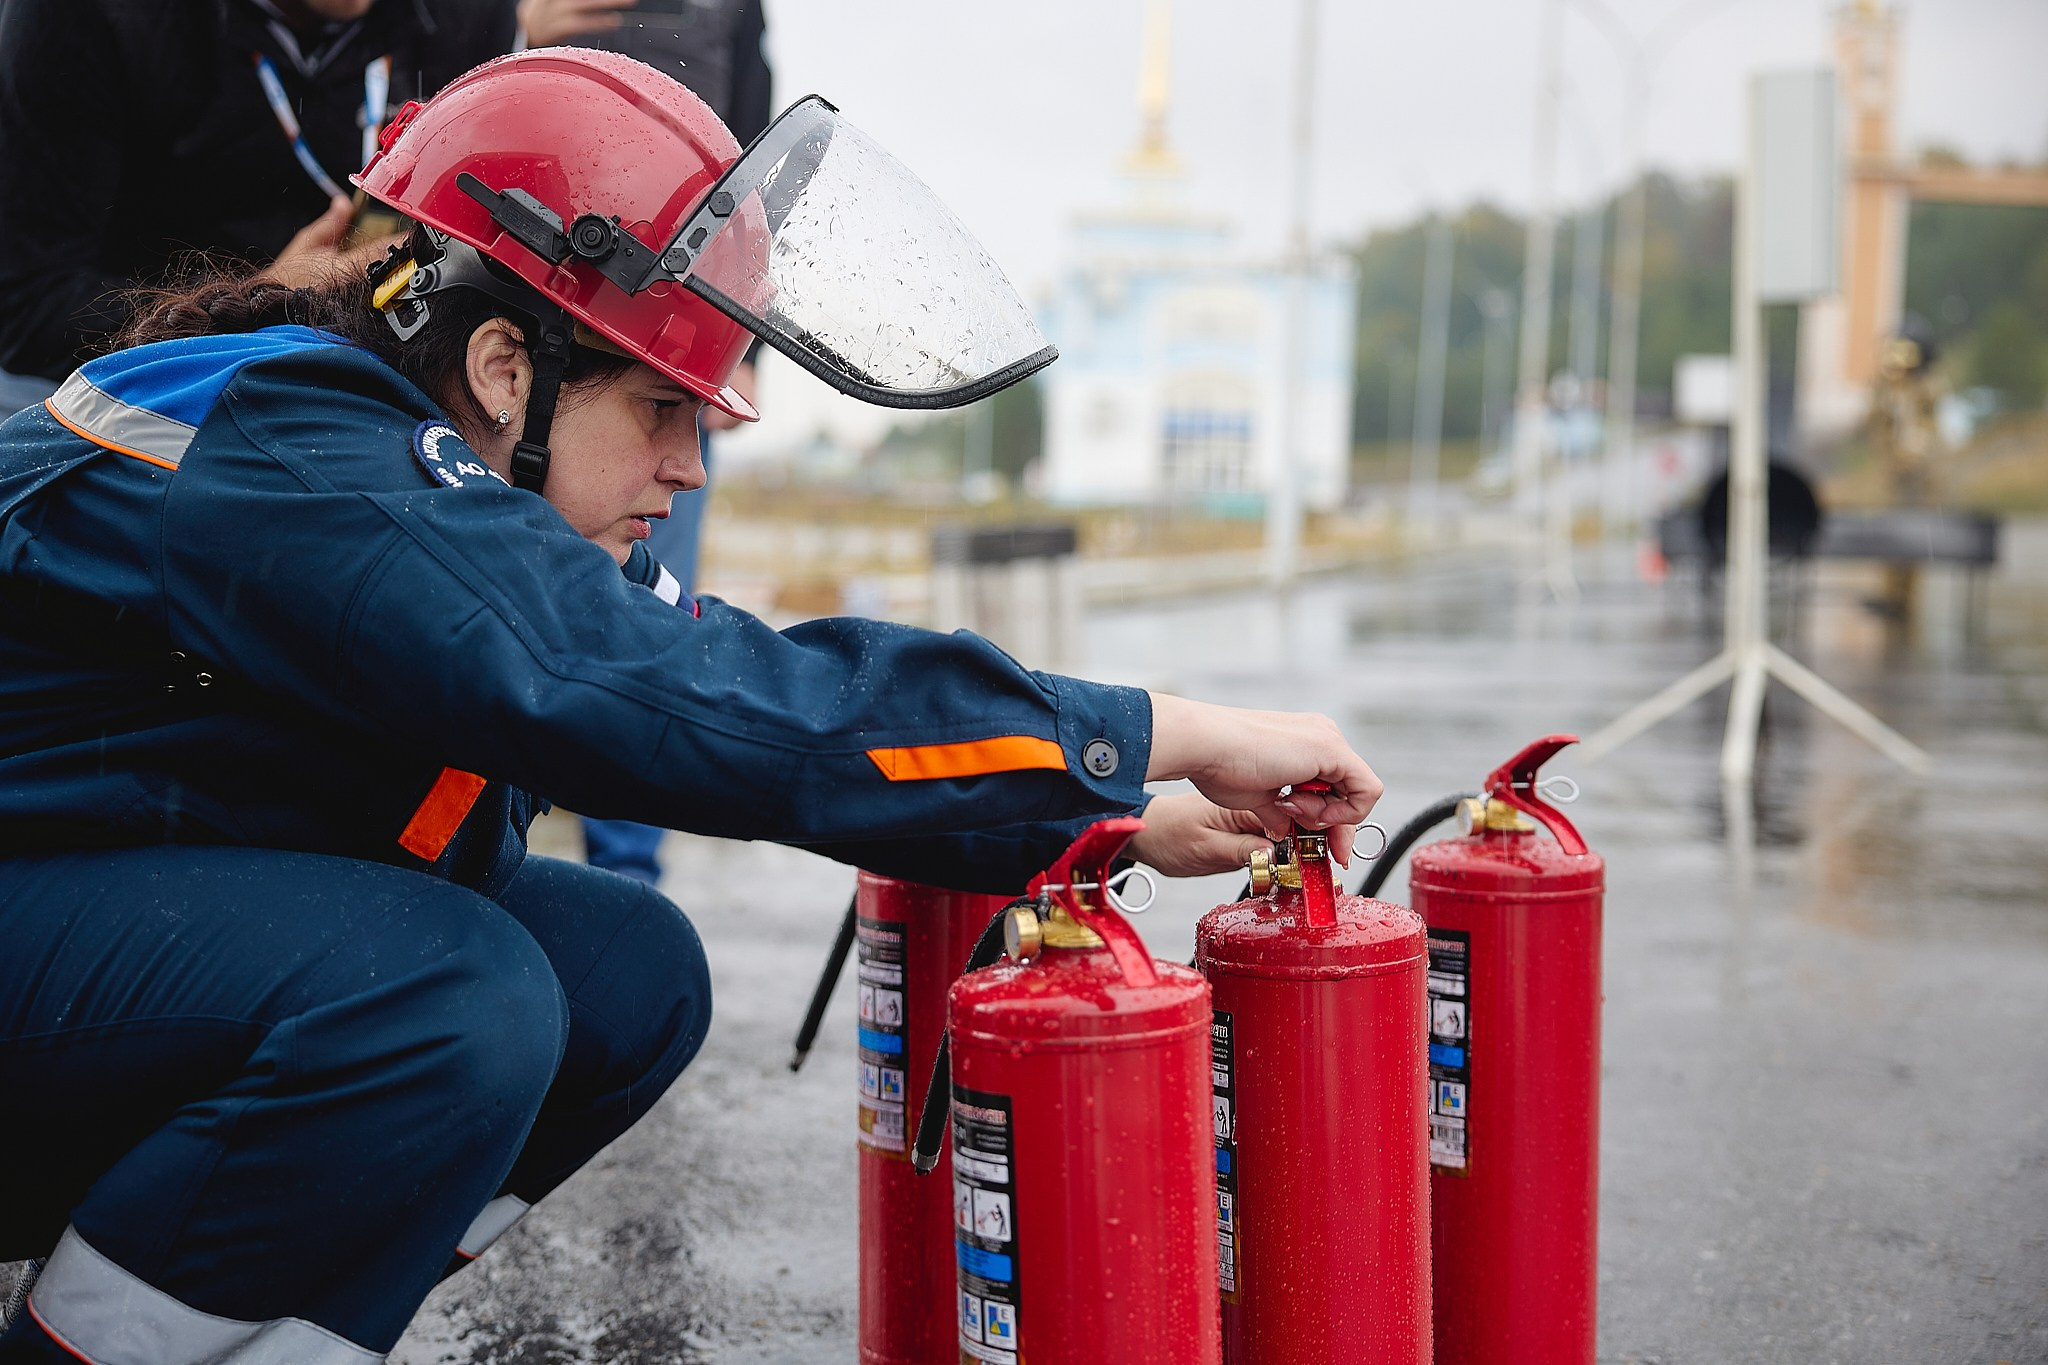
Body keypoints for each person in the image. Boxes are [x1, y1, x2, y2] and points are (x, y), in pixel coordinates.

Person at [0, 51, 1382, 1362]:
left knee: (624, 976)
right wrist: (1161, 723)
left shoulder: (434, 483)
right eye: (664, 410)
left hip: (71, 930)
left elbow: (751, 678)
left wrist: (1118, 815)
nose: (688, 470)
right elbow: (645, 690)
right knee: (439, 1000)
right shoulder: (296, 448)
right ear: (502, 370)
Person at [516, 0, 775, 883]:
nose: (690, 468)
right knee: (505, 592)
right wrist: (508, 30)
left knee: (648, 614)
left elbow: (759, 163)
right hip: (539, 313)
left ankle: (624, 873)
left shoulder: (732, 9)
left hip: (676, 319)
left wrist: (748, 346)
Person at [0, 0, 517, 407]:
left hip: (388, 366)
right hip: (160, 384)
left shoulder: (469, 14)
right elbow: (27, 307)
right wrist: (263, 301)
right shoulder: (84, 16)